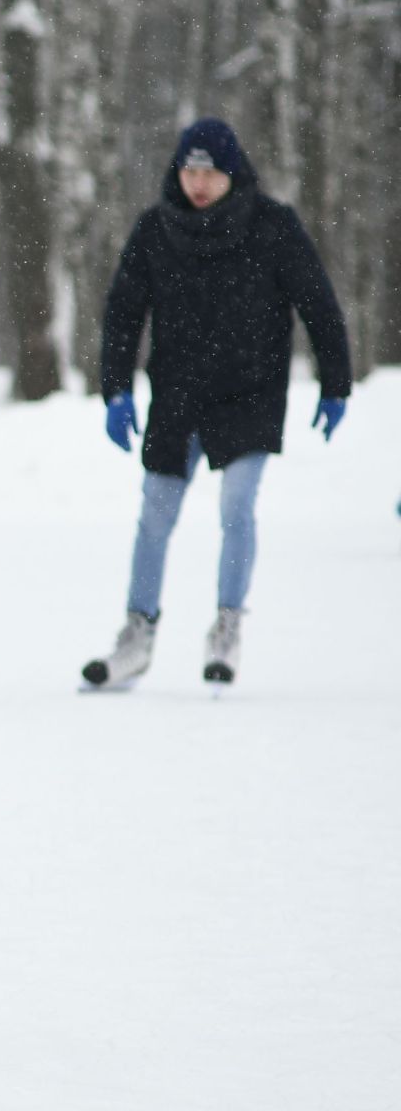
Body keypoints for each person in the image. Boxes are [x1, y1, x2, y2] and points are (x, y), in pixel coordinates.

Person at [83, 118, 351, 689]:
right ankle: (137, 634)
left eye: (209, 172)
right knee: (155, 513)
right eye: (189, 170)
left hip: (249, 393)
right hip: (178, 395)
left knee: (236, 506)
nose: (198, 183)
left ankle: (226, 628)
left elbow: (317, 303)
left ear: (233, 174)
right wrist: (116, 390)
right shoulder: (156, 229)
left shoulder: (273, 228)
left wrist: (336, 382)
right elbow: (124, 311)